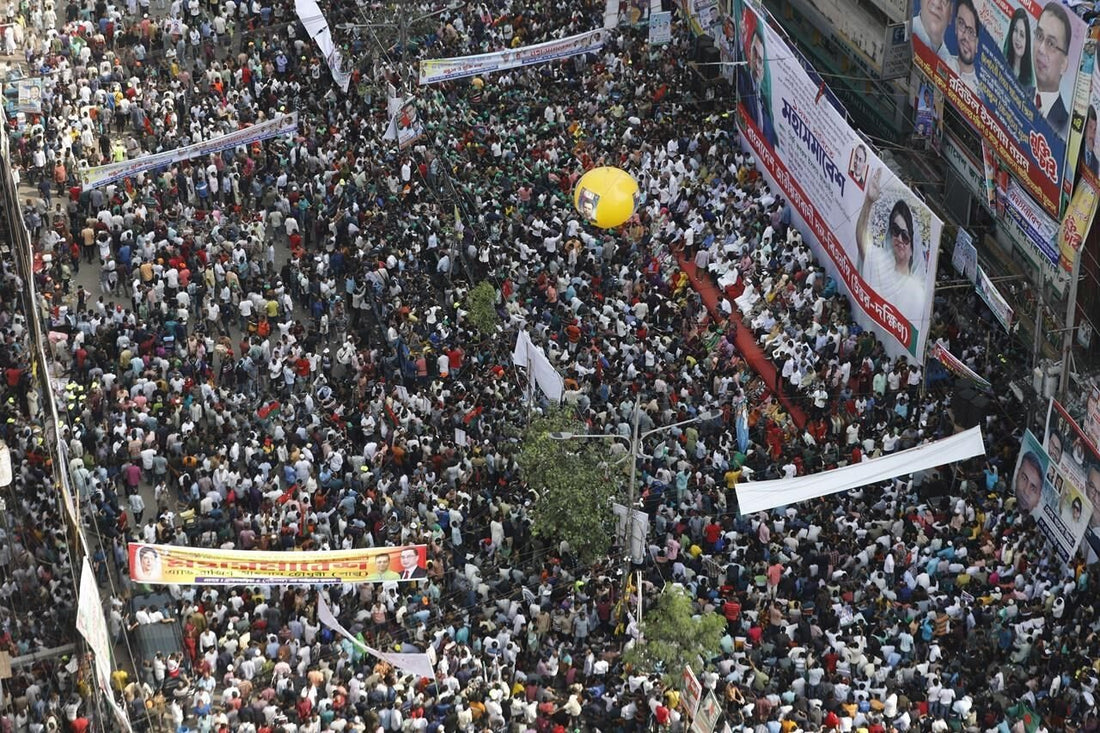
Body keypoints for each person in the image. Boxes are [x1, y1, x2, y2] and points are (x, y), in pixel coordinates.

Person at [854, 167, 925, 329]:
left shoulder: (915, 291)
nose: (899, 239)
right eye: (895, 231)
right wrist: (868, 201)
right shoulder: (880, 262)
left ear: (913, 245)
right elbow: (862, 240)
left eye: (905, 236)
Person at [1031, 1, 1072, 139]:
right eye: (1039, 36)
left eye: (1051, 43)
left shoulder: (1065, 126)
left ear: (1063, 64)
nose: (1041, 49)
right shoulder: (1019, 90)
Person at [739, 22, 777, 147]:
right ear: (749, 50)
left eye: (760, 60)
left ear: (763, 71)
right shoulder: (744, 80)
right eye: (754, 52)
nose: (755, 61)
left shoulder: (767, 114)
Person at [946, 0, 980, 91]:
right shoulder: (945, 61)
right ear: (956, 26)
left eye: (971, 32)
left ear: (977, 43)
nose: (965, 36)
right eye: (961, 23)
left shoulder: (977, 93)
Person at [1003, 7, 1033, 88]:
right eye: (1015, 30)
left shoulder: (1029, 82)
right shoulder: (1002, 63)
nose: (1017, 38)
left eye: (1022, 35)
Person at [1080, 106, 1098, 177]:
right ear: (1085, 128)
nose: (1093, 134)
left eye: (1095, 129)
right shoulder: (1077, 147)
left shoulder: (1096, 162)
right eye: (1090, 127)